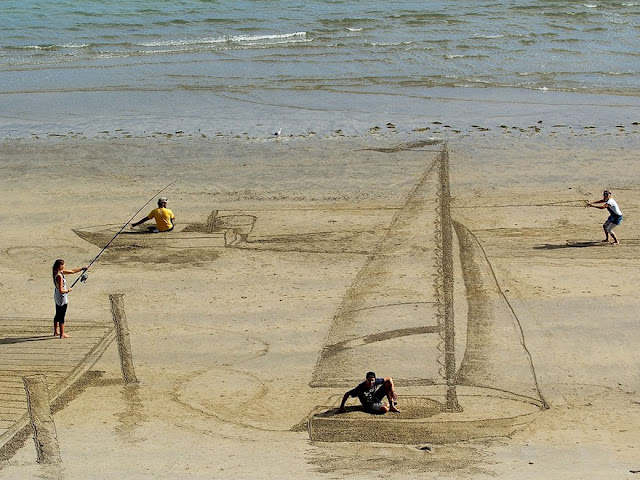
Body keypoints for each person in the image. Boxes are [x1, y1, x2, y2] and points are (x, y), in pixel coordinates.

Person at [52, 259, 88, 338]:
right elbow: (61, 290)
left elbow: (72, 271)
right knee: (61, 315)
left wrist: (82, 268)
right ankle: (62, 334)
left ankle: (56, 331)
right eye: (63, 265)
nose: (64, 266)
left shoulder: (57, 272)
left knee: (57, 313)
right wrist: (68, 290)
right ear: (60, 266)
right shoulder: (59, 276)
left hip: (57, 295)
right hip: (61, 297)